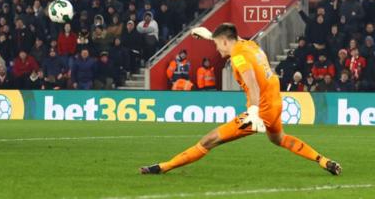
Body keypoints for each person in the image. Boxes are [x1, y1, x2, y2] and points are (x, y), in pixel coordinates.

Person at [141, 23, 341, 176]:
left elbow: (252, 83)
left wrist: (253, 113)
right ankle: (322, 160)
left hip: (260, 110)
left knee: (209, 140)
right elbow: (227, 37)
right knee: (279, 138)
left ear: (226, 42)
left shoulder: (238, 58)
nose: (217, 51)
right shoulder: (248, 44)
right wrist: (208, 35)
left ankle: (163, 167)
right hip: (275, 103)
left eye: (218, 45)